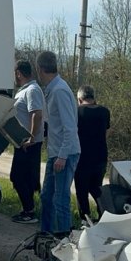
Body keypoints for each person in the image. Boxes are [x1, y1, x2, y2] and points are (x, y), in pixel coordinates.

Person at [35, 51, 81, 237]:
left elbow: (69, 128)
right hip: (56, 152)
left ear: (40, 69)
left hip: (66, 153)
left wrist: (62, 156)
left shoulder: (60, 91)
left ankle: (63, 240)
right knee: (47, 197)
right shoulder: (53, 89)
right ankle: (45, 235)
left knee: (60, 199)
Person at [10, 60, 44, 224]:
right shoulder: (24, 90)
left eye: (14, 74)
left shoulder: (32, 90)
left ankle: (29, 212)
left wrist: (31, 137)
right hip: (21, 142)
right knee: (23, 178)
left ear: (18, 73)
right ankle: (27, 210)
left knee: (18, 177)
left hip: (28, 144)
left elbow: (36, 114)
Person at [74, 85, 110, 222]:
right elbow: (106, 132)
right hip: (101, 155)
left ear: (80, 98)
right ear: (93, 97)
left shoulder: (77, 112)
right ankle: (103, 213)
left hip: (82, 157)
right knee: (97, 188)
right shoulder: (104, 111)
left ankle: (85, 218)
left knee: (81, 190)